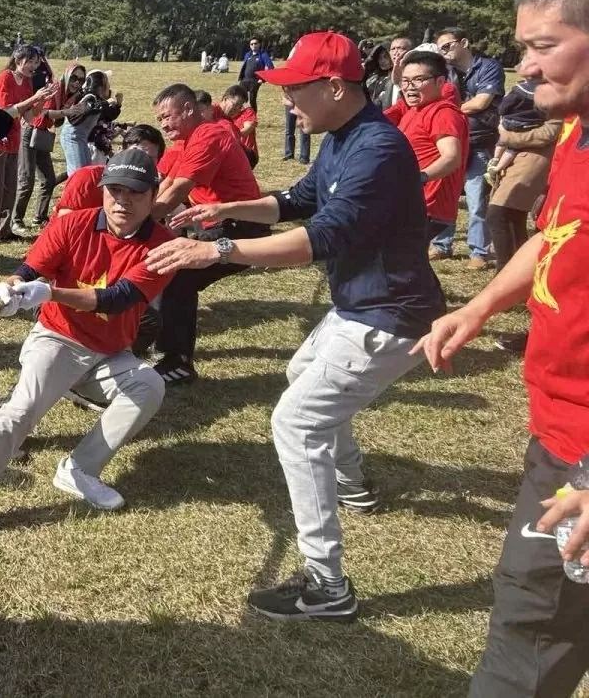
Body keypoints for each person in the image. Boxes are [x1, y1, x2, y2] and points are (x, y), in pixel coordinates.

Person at [147, 31, 446, 622]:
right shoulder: (343, 137)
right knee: (301, 373)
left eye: (294, 89)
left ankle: (326, 585)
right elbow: (297, 199)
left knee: (296, 421)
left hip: (388, 315)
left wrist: (217, 249)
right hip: (362, 305)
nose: (285, 101)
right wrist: (227, 208)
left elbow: (322, 237)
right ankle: (353, 481)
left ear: (334, 87)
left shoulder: (377, 150)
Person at [415, 0, 589, 697]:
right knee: (535, 624)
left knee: (528, 631)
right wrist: (479, 305)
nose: (525, 68)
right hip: (560, 436)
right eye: (522, 47)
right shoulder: (577, 131)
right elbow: (554, 237)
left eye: (543, 46)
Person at [0, 149, 173, 559]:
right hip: (58, 338)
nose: (123, 201)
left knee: (148, 385)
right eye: (115, 190)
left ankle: (80, 469)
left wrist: (50, 292)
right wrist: (9, 288)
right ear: (102, 190)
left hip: (111, 352)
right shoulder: (72, 223)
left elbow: (118, 298)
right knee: (20, 412)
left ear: (153, 197)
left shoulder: (163, 245)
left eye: (135, 193)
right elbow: (27, 271)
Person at [147, 84, 266, 386]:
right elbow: (167, 183)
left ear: (188, 109)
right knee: (165, 267)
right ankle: (153, 344)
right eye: (159, 119)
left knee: (177, 273)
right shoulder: (186, 141)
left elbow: (178, 190)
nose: (163, 125)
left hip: (241, 229)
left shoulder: (209, 135)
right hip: (215, 225)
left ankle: (177, 361)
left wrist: (136, 224)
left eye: (167, 117)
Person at [486, 79, 562, 353]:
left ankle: (508, 280)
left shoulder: (562, 92)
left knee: (500, 213)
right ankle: (514, 283)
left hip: (538, 159)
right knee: (516, 220)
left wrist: (509, 137)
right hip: (522, 158)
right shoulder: (533, 90)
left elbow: (550, 132)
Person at [433, 27, 506, 269]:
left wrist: (448, 109)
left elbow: (481, 102)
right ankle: (441, 245)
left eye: (447, 46)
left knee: (476, 201)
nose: (444, 52)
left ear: (463, 42)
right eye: (440, 49)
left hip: (479, 141)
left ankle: (478, 252)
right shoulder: (444, 72)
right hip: (451, 141)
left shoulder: (489, 67)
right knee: (447, 196)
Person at [381, 50, 469, 243]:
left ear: (440, 82)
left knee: (396, 257)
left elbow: (451, 157)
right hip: (410, 203)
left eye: (418, 80)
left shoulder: (443, 113)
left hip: (426, 207)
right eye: (405, 81)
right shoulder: (414, 110)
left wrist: (419, 177)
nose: (409, 87)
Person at [0, 43, 48, 243]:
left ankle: (3, 230)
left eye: (36, 62)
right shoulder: (4, 78)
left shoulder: (27, 82)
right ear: (17, 60)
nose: (33, 66)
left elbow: (28, 118)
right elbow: (7, 112)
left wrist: (41, 101)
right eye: (30, 61)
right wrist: (33, 98)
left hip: (13, 140)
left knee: (9, 189)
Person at [13, 61, 78, 231]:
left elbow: (56, 121)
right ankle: (16, 220)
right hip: (30, 131)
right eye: (74, 78)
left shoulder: (69, 95)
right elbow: (44, 113)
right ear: (67, 76)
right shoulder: (56, 88)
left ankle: (39, 217)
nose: (77, 82)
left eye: (81, 80)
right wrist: (67, 112)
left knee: (48, 179)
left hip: (42, 134)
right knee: (26, 179)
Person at [54, 124, 166, 216]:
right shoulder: (89, 177)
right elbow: (65, 218)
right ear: (121, 152)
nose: (139, 162)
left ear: (158, 162)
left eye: (148, 158)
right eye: (134, 154)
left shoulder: (150, 189)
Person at [486, 79, 548, 186]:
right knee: (512, 149)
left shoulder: (518, 91)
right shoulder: (545, 93)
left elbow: (503, 107)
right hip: (527, 125)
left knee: (502, 140)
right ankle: (497, 169)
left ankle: (495, 159)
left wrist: (502, 113)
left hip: (509, 121)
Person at [60, 69, 118, 177]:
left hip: (81, 138)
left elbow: (109, 116)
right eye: (107, 83)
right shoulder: (89, 97)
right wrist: (105, 103)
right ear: (100, 87)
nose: (109, 86)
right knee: (78, 173)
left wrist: (118, 105)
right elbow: (86, 110)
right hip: (72, 138)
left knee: (86, 170)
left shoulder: (98, 100)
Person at [218, 84, 258, 167]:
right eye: (235, 104)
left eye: (240, 106)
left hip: (245, 154)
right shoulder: (213, 113)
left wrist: (231, 135)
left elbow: (248, 128)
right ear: (225, 99)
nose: (237, 109)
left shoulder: (246, 112)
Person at [239, 37, 274, 111]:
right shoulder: (247, 55)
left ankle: (254, 115)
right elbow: (244, 66)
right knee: (240, 97)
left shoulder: (263, 55)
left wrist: (262, 79)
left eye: (255, 43)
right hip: (244, 80)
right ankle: (241, 114)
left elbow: (271, 67)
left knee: (252, 99)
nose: (253, 45)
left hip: (255, 81)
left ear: (259, 44)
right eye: (251, 44)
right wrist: (241, 78)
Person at [363, 44, 394, 109]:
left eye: (386, 57)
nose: (382, 61)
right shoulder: (373, 79)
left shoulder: (397, 77)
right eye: (380, 58)